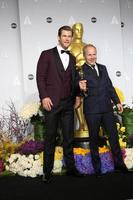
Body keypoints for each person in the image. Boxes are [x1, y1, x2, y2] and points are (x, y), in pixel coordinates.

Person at [36, 25, 82, 183]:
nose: (67, 39)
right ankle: (47, 172)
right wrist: (44, 96)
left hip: (68, 103)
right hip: (52, 102)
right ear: (58, 37)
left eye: (70, 36)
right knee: (50, 138)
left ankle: (71, 168)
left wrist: (77, 96)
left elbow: (73, 80)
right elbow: (40, 77)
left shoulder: (73, 58)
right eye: (64, 36)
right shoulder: (47, 54)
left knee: (69, 137)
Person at [79, 44, 128, 177]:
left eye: (94, 53)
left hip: (106, 108)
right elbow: (80, 93)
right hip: (92, 110)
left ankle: (120, 165)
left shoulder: (103, 68)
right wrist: (82, 90)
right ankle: (97, 168)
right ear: (84, 56)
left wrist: (117, 101)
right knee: (94, 139)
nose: (92, 56)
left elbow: (109, 86)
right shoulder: (80, 71)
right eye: (89, 54)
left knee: (114, 137)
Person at [69, 23, 88, 136]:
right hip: (75, 77)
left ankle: (86, 122)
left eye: (81, 29)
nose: (79, 32)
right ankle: (81, 123)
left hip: (86, 76)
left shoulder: (86, 46)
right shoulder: (70, 46)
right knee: (78, 100)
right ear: (73, 31)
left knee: (87, 100)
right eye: (76, 29)